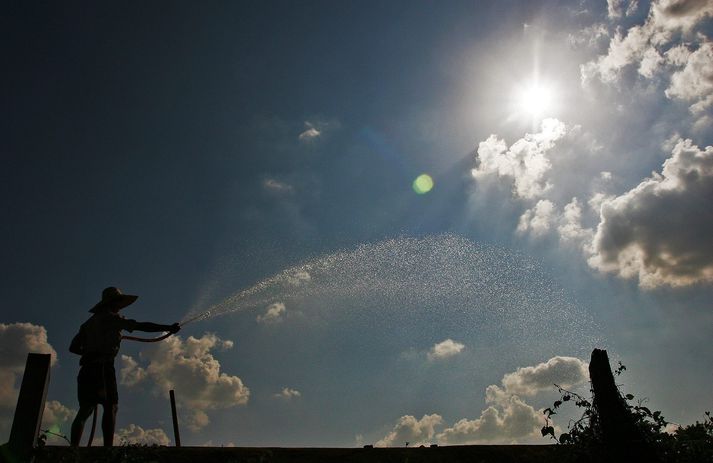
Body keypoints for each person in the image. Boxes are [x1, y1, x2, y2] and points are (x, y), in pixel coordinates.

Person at [69, 287, 180, 447]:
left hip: (87, 369)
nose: (120, 305)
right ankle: (107, 450)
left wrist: (88, 353)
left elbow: (73, 347)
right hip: (103, 368)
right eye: (119, 302)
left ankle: (73, 450)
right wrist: (168, 328)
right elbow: (141, 326)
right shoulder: (112, 319)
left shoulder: (88, 323)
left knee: (85, 409)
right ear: (112, 303)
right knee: (111, 406)